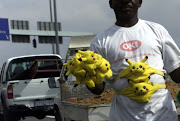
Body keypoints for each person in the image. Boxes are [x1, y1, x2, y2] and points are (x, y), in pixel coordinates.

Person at [88, 0, 180, 120]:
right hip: (124, 116)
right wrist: (88, 75)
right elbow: (98, 89)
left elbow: (176, 73)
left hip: (163, 115)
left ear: (140, 2)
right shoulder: (100, 41)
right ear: (111, 3)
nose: (125, 1)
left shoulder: (157, 30)